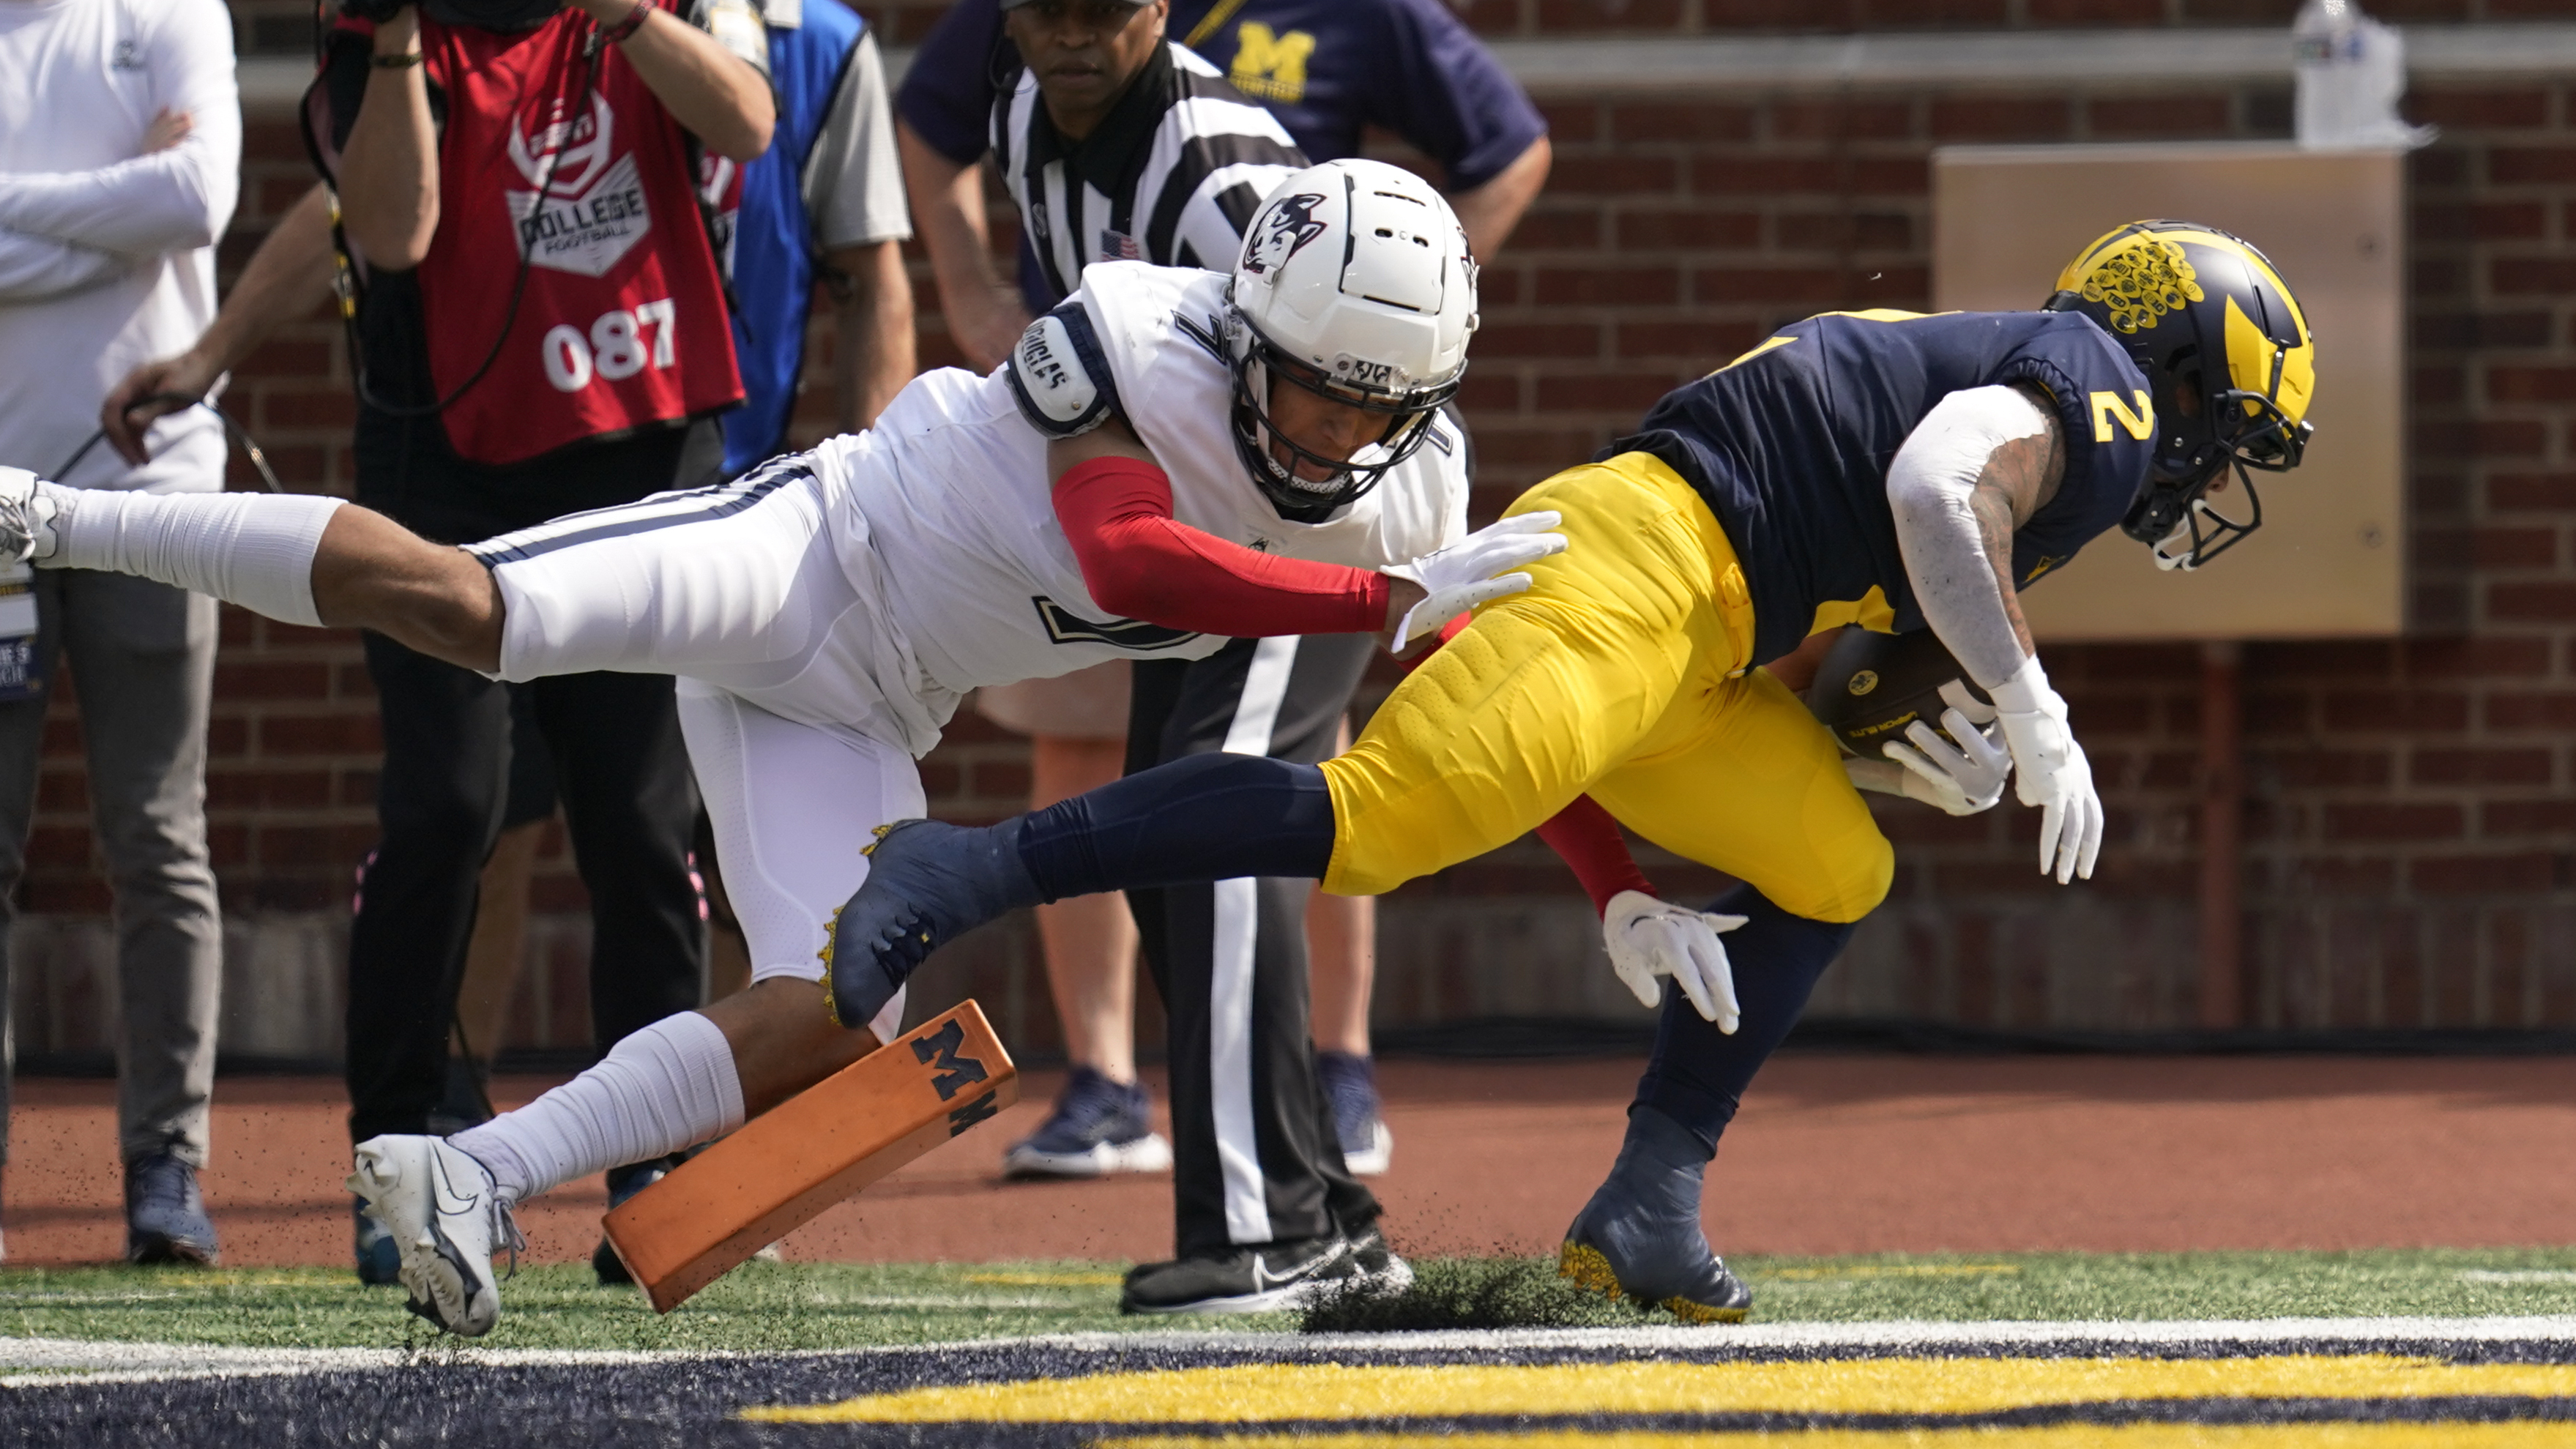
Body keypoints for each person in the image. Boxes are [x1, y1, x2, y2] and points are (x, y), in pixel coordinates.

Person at [0, 160, 1535, 1333]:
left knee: (831, 1021)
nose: (1335, 436)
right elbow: (1125, 554)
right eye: (1315, 388)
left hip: (874, 707)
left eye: (1373, 407)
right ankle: (53, 517)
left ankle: (468, 1174)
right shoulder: (1148, 334)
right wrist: (1373, 592)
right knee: (466, 608)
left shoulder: (1413, 497)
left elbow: (1494, 687)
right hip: (808, 553)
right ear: (1245, 324)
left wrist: (1609, 879)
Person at [819, 220, 2320, 1322]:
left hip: (1706, 633)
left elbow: (1866, 560)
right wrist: (2031, 705)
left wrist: (1670, 863)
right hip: (1642, 567)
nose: (2213, 467)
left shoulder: (2023, 372)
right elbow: (1938, 489)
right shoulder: (2092, 394)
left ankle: (1646, 1206)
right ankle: (966, 865)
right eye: (2231, 429)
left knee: (1832, 863)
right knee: (1378, 825)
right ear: (2180, 372)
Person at [901, 0, 1552, 1182]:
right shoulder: (1021, 80)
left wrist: (1377, 362)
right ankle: (1212, 1131)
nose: (1071, 35)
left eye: (1101, 11)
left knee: (1233, 818)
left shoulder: (1219, 187)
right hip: (1181, 488)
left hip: (1314, 505)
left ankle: (1274, 1189)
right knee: (1168, 827)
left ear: (1153, 12)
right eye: (1045, 10)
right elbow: (930, 125)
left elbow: (1353, 382)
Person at [308, 0, 772, 1281]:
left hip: (634, 456)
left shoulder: (639, 20)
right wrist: (400, 40)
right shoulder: (374, 34)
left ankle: (655, 1169)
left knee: (636, 818)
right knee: (450, 807)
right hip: (445, 475)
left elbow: (748, 121)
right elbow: (393, 235)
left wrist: (631, 21)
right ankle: (402, 1143)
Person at [0, 0, 240, 1265]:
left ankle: (166, 1171)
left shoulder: (169, 12)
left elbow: (197, 198)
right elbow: (148, 209)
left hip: (148, 500)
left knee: (156, 837)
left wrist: (10, 208)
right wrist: (110, 212)